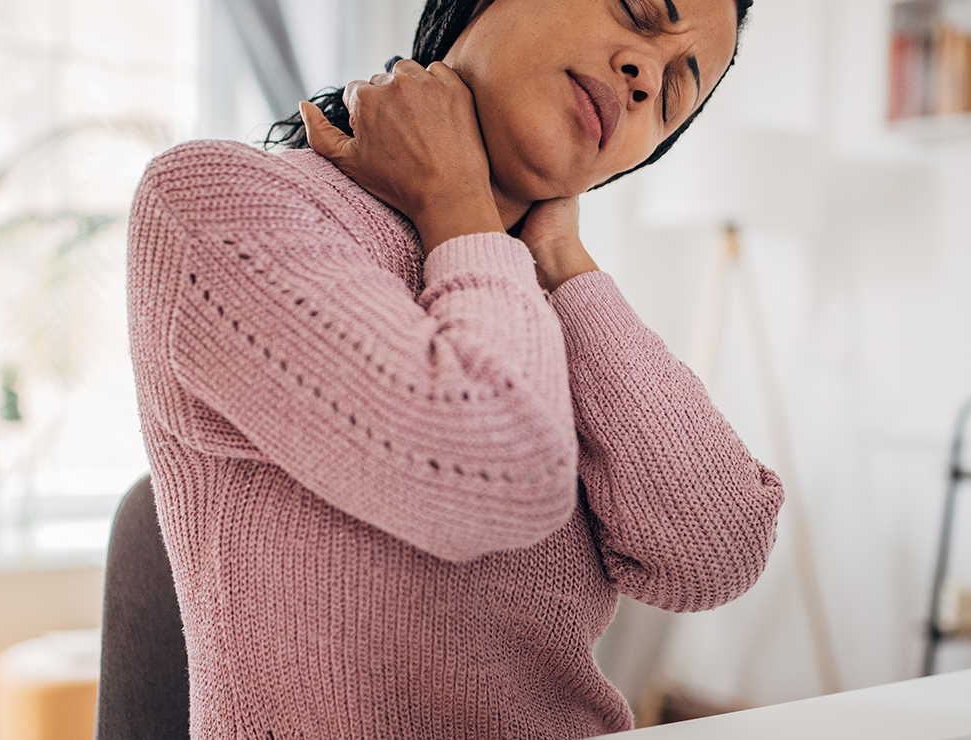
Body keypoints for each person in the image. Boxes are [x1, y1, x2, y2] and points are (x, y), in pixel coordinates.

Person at [125, 0, 783, 736]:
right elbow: (493, 476)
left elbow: (715, 552)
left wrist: (563, 261)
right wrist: (460, 202)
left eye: (671, 96)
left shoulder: (535, 292)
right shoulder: (216, 202)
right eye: (638, 11)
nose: (642, 78)